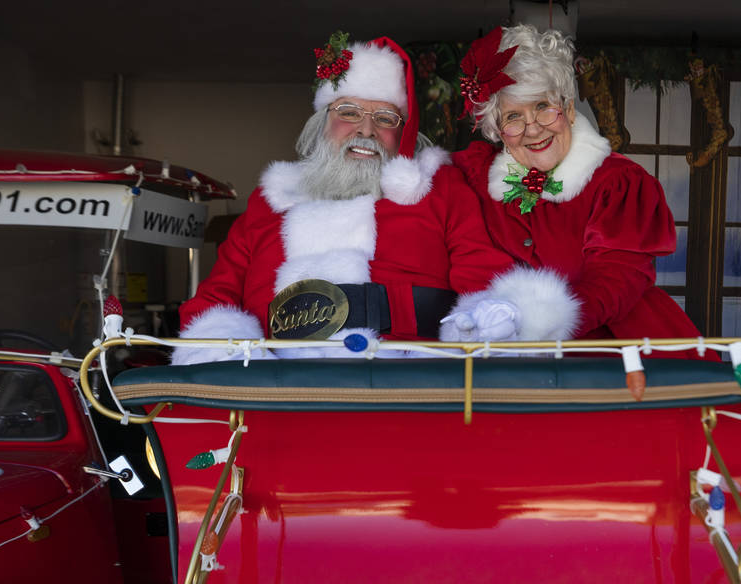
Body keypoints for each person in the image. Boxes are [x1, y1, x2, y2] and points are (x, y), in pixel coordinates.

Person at [174, 32, 579, 363]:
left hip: (405, 387)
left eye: (385, 118)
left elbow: (484, 277)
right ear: (323, 121)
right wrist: (221, 346)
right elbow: (215, 298)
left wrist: (490, 318)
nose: (365, 130)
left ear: (402, 133)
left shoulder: (439, 190)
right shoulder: (273, 200)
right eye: (348, 111)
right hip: (282, 393)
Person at [443, 25, 704, 346]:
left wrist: (532, 328)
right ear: (497, 131)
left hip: (616, 347)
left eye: (543, 107)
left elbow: (615, 281)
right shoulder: (479, 178)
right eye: (513, 117)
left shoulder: (619, 182)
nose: (533, 128)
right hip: (511, 357)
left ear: (567, 108)